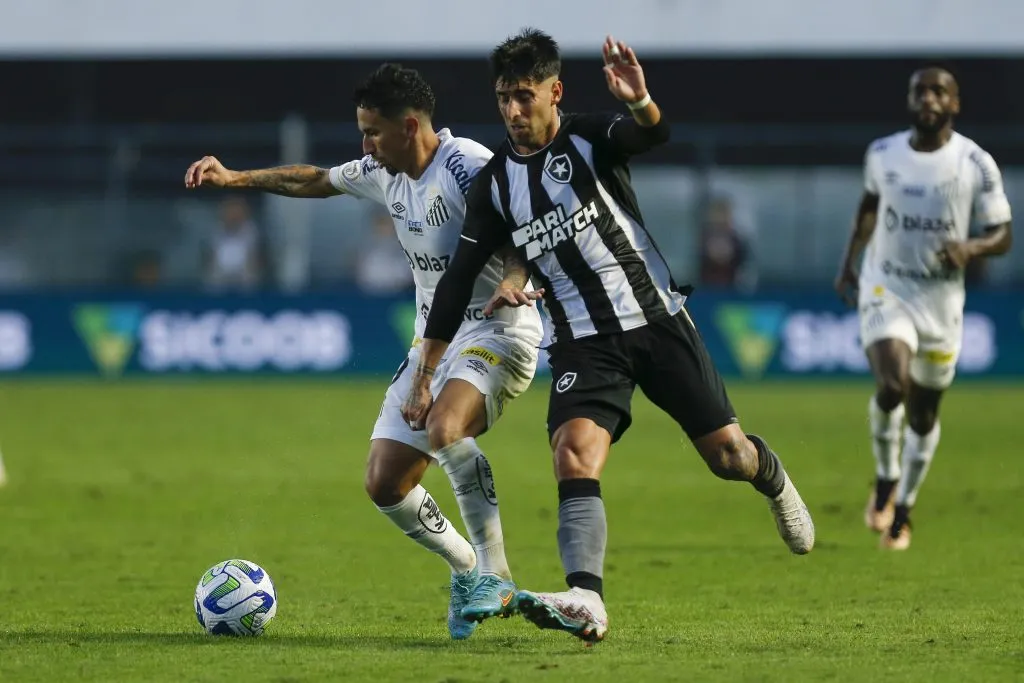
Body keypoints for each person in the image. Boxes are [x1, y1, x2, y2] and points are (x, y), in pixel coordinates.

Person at [401, 29, 814, 644]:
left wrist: (641, 100)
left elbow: (651, 134)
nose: (513, 111)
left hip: (656, 320)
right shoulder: (493, 185)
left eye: (524, 96)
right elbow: (457, 281)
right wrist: (429, 371)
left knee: (728, 457)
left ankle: (772, 476)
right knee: (572, 452)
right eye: (503, 99)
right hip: (581, 341)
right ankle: (587, 598)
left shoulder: (590, 136)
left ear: (554, 92)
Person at [184, 63, 544, 638]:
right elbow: (314, 179)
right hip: (433, 341)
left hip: (500, 331)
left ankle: (496, 576)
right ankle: (467, 567)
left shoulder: (468, 168)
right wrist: (234, 179)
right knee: (384, 481)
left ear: (409, 126)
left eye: (372, 131)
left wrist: (514, 277)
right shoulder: (386, 171)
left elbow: (522, 226)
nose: (364, 144)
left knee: (447, 427)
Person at [835, 66, 1012, 550]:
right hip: (886, 286)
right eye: (921, 91)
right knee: (893, 384)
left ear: (954, 104)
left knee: (924, 416)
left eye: (940, 92)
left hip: (941, 302)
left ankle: (904, 508)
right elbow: (869, 207)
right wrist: (849, 261)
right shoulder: (883, 153)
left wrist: (971, 249)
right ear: (910, 101)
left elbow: (1004, 234)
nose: (929, 99)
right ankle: (886, 478)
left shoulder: (975, 162)